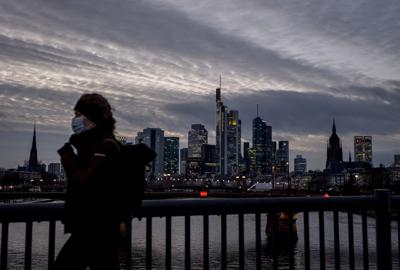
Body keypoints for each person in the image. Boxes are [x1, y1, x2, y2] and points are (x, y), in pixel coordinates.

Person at [54, 93, 122, 270]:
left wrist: (68, 158)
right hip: (94, 228)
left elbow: (86, 183)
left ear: (92, 119)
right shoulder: (90, 146)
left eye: (78, 115)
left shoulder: (105, 146)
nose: (74, 120)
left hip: (96, 229)